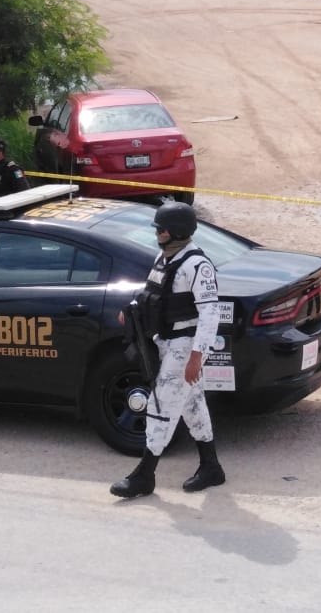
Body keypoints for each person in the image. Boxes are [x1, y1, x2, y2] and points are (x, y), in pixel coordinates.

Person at [110, 202, 226, 498]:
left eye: (161, 228)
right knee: (192, 405)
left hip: (185, 347)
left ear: (176, 231)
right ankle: (211, 467)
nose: (157, 233)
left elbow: (211, 314)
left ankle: (144, 475)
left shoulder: (197, 266)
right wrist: (132, 309)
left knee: (160, 407)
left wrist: (197, 358)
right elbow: (153, 294)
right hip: (166, 343)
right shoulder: (165, 258)